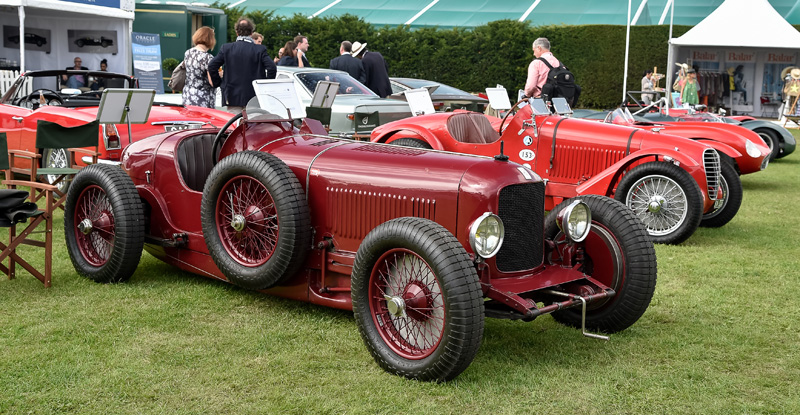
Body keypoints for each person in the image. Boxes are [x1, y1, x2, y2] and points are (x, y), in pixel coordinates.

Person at [208, 16, 277, 114]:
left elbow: (212, 66)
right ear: (251, 33)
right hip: (254, 95)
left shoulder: (227, 48)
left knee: (234, 126)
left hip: (231, 95)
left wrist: (219, 83)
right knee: (253, 126)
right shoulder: (259, 49)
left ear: (237, 32)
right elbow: (272, 67)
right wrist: (264, 86)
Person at [183, 26, 217, 108]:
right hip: (202, 97)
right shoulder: (208, 57)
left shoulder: (188, 53)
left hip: (188, 94)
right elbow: (212, 82)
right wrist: (219, 75)